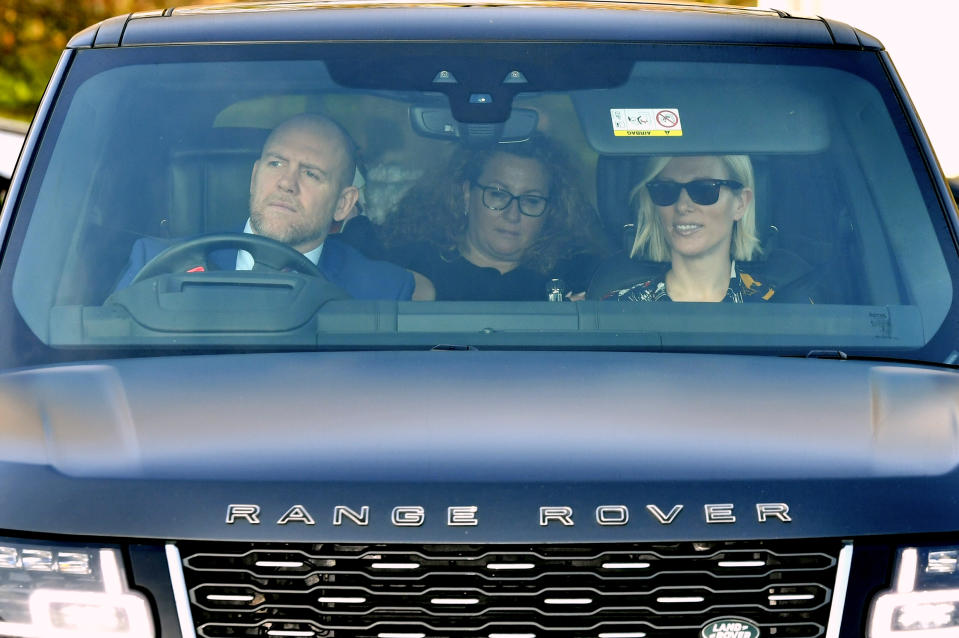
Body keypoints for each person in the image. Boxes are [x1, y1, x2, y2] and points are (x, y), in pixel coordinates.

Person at [115, 113, 430, 300]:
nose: (287, 183)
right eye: (276, 163)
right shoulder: (158, 265)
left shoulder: (382, 290)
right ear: (254, 177)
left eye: (311, 173)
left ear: (343, 204)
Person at [384, 135, 608, 301]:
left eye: (531, 200)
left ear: (551, 210)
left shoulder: (581, 275)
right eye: (498, 195)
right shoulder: (411, 268)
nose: (513, 214)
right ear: (466, 194)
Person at [596, 154, 816, 303]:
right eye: (665, 190)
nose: (682, 206)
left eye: (704, 190)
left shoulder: (784, 308)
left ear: (740, 203)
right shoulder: (618, 308)